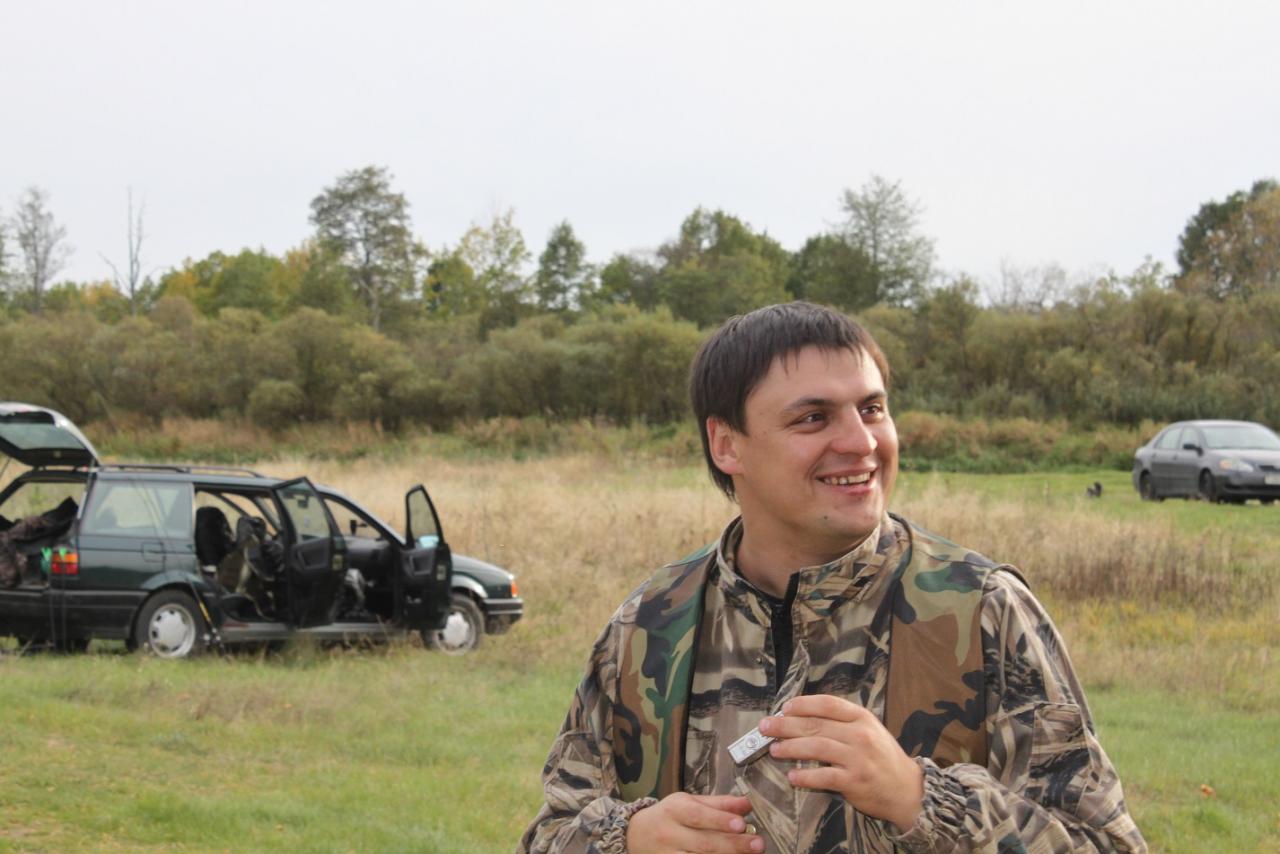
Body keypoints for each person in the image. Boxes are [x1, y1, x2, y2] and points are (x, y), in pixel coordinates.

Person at [519, 302, 1146, 853]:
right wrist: (628, 839)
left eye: (872, 409)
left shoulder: (981, 610)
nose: (862, 442)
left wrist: (921, 801)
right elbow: (551, 833)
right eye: (813, 418)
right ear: (726, 444)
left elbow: (1104, 843)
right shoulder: (650, 625)